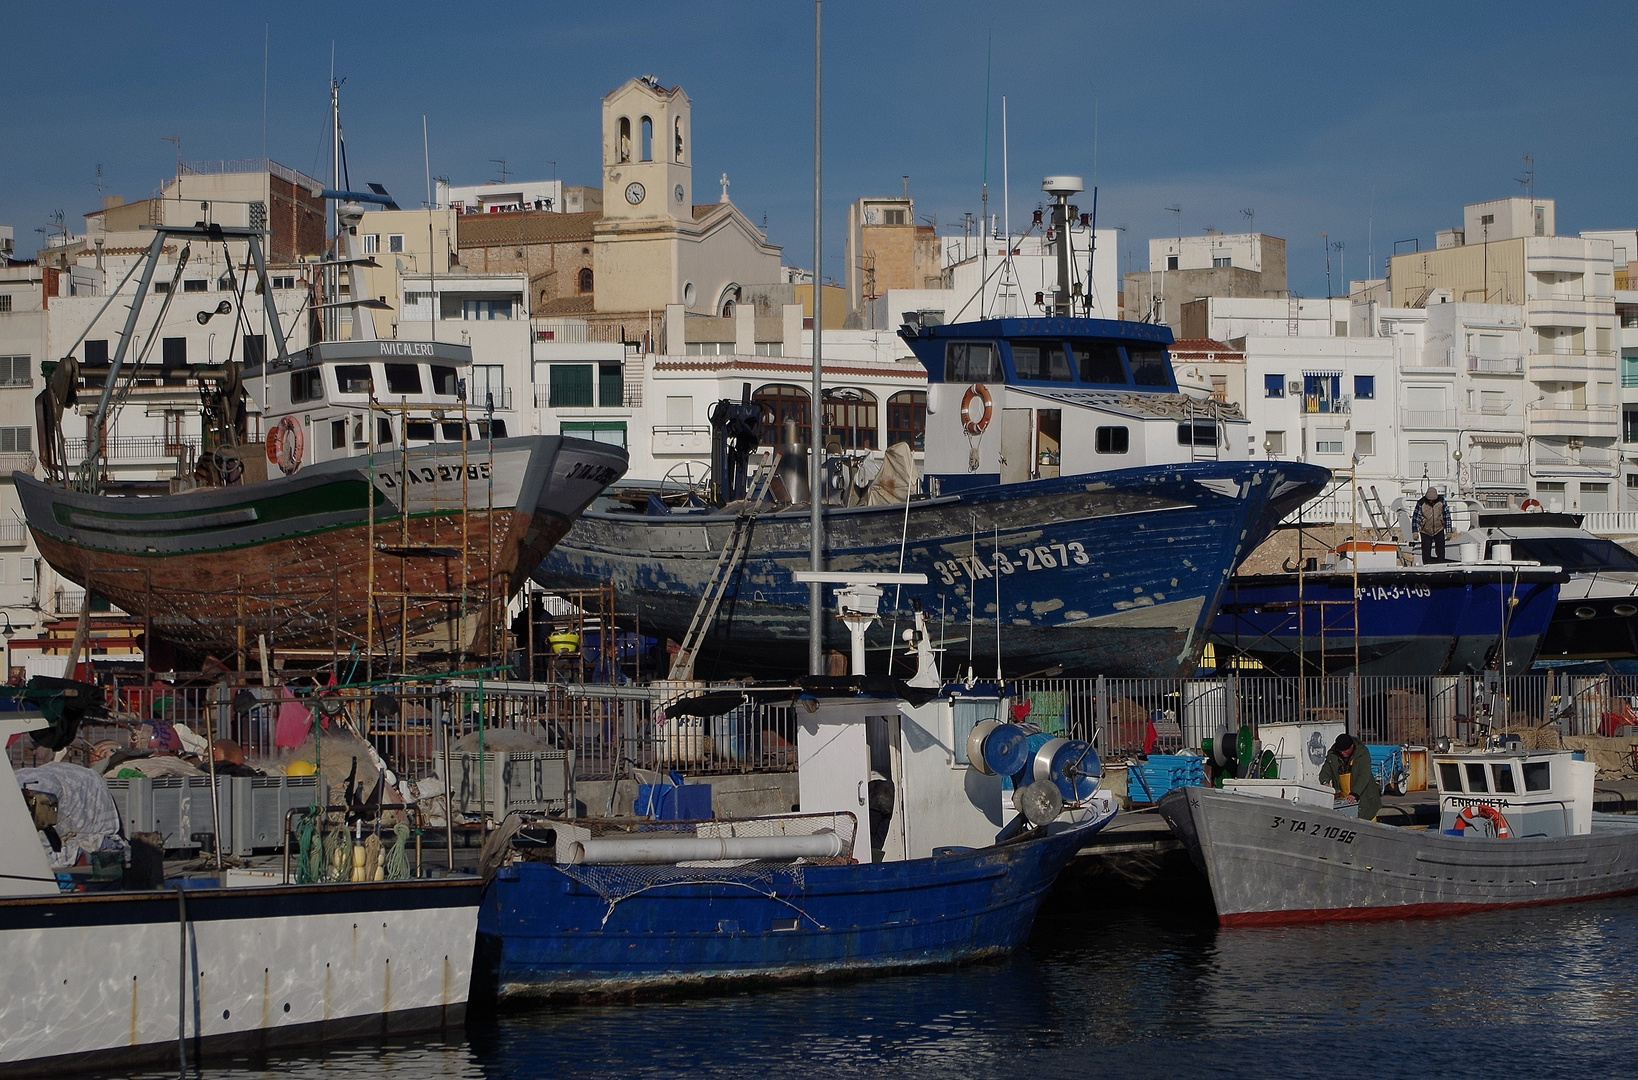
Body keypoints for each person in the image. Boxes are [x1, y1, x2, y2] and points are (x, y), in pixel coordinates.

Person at [1319, 733, 1381, 821]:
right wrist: (1325, 782)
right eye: (1340, 751)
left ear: (1352, 746)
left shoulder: (1362, 753)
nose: (1342, 753)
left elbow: (1364, 775)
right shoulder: (1332, 754)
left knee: (1367, 820)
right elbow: (1326, 770)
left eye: (1345, 750)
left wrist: (1354, 793)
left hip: (1364, 796)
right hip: (1343, 797)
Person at [1411, 485, 1449, 564]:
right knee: (1426, 551)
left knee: (1441, 550)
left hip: (1439, 529)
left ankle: (1441, 565)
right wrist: (1415, 531)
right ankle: (1426, 565)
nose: (1431, 501)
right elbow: (1415, 517)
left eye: (1433, 500)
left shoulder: (1442, 501)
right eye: (1429, 500)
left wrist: (1448, 531)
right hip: (1425, 530)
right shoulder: (1421, 503)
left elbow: (1447, 516)